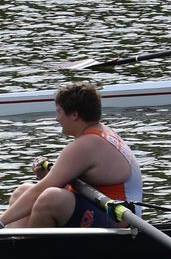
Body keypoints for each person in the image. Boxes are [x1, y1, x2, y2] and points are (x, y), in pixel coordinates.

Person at [1, 82, 143, 230]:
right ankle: (14, 242)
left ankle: (27, 249)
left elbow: (44, 189)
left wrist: (2, 220)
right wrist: (48, 177)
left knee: (51, 198)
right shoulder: (100, 131)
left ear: (74, 115)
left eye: (59, 112)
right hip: (100, 206)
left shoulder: (88, 144)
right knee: (21, 192)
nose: (57, 119)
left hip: (122, 220)